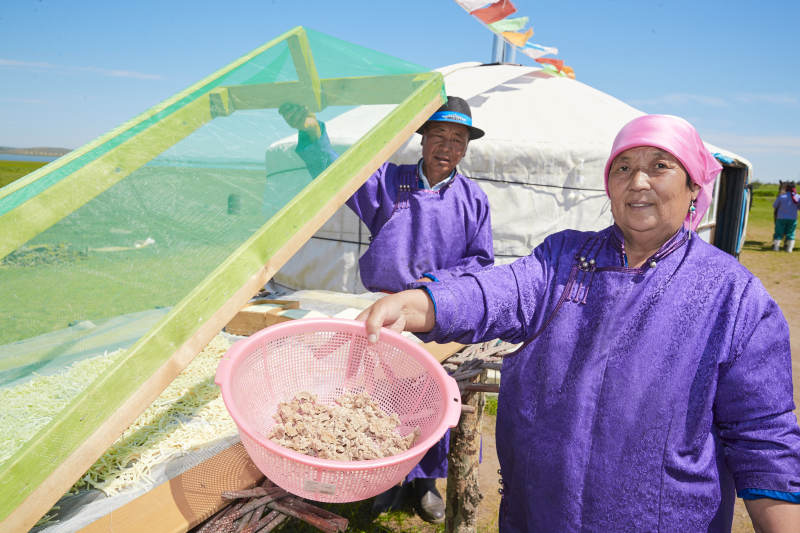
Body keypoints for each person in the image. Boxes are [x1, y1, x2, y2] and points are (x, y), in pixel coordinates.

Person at [357, 114, 800, 532]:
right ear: (608, 185)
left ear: (692, 187)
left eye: (659, 166)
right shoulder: (565, 259)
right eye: (622, 167)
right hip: (540, 513)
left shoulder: (731, 295)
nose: (637, 181)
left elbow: (764, 437)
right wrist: (418, 304)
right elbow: (495, 290)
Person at [280, 96, 494, 522]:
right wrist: (311, 131)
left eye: (457, 139)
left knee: (431, 401)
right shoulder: (389, 182)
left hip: (435, 314)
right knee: (377, 397)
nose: (447, 147)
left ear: (466, 148)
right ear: (423, 139)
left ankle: (422, 483)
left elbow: (480, 263)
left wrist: (433, 291)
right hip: (381, 312)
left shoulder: (474, 199)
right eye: (439, 136)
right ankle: (378, 476)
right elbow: (339, 174)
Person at [772, 181, 800, 252]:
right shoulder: (798, 197)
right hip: (793, 218)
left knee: (778, 232)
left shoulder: (781, 196)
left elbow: (774, 206)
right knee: (791, 233)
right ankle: (789, 249)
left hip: (781, 218)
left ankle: (776, 247)